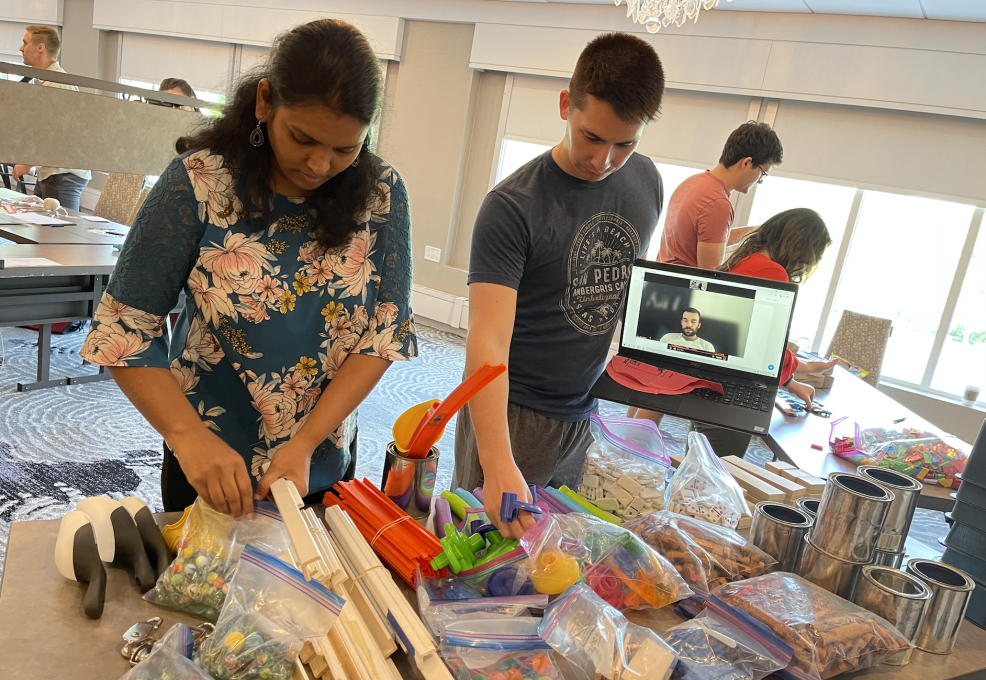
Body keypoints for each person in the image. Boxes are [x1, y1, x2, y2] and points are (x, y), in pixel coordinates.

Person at [79, 19, 416, 519]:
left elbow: (381, 335)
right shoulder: (198, 182)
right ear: (264, 102)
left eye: (346, 148)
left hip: (320, 455)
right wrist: (187, 437)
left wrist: (305, 442)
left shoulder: (380, 194)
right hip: (210, 458)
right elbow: (126, 328)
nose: (321, 165)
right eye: (302, 138)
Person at [451, 33, 666, 538]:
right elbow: (487, 343)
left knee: (554, 560)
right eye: (592, 137)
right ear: (567, 105)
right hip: (511, 413)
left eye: (625, 143)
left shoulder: (647, 183)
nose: (605, 159)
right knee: (480, 564)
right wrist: (498, 457)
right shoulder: (512, 207)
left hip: (582, 413)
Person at [634, 208, 838, 456]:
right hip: (730, 386)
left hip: (711, 380)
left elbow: (755, 334)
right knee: (714, 473)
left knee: (698, 465)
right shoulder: (772, 272)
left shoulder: (747, 260)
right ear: (801, 247)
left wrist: (801, 367)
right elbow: (761, 345)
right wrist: (792, 382)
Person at [657, 121, 783, 269]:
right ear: (747, 163)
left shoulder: (693, 182)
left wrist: (758, 231)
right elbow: (710, 276)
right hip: (681, 288)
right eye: (762, 173)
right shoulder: (717, 203)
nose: (760, 181)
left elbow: (709, 239)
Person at [11, 25, 92, 210]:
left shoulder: (57, 86)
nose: (21, 49)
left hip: (62, 175)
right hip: (50, 172)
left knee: (60, 234)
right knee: (41, 231)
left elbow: (58, 133)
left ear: (41, 47)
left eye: (25, 43)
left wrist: (27, 162)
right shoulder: (44, 82)